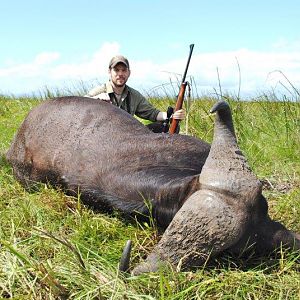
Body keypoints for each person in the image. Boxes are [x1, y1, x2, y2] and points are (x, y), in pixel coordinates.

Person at [85, 55, 185, 132]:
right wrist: (95, 100)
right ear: (109, 72)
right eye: (116, 70)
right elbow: (77, 108)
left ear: (129, 73)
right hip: (103, 138)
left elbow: (153, 114)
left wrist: (171, 116)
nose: (120, 74)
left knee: (167, 128)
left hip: (128, 137)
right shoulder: (99, 91)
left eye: (124, 70)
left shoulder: (134, 95)